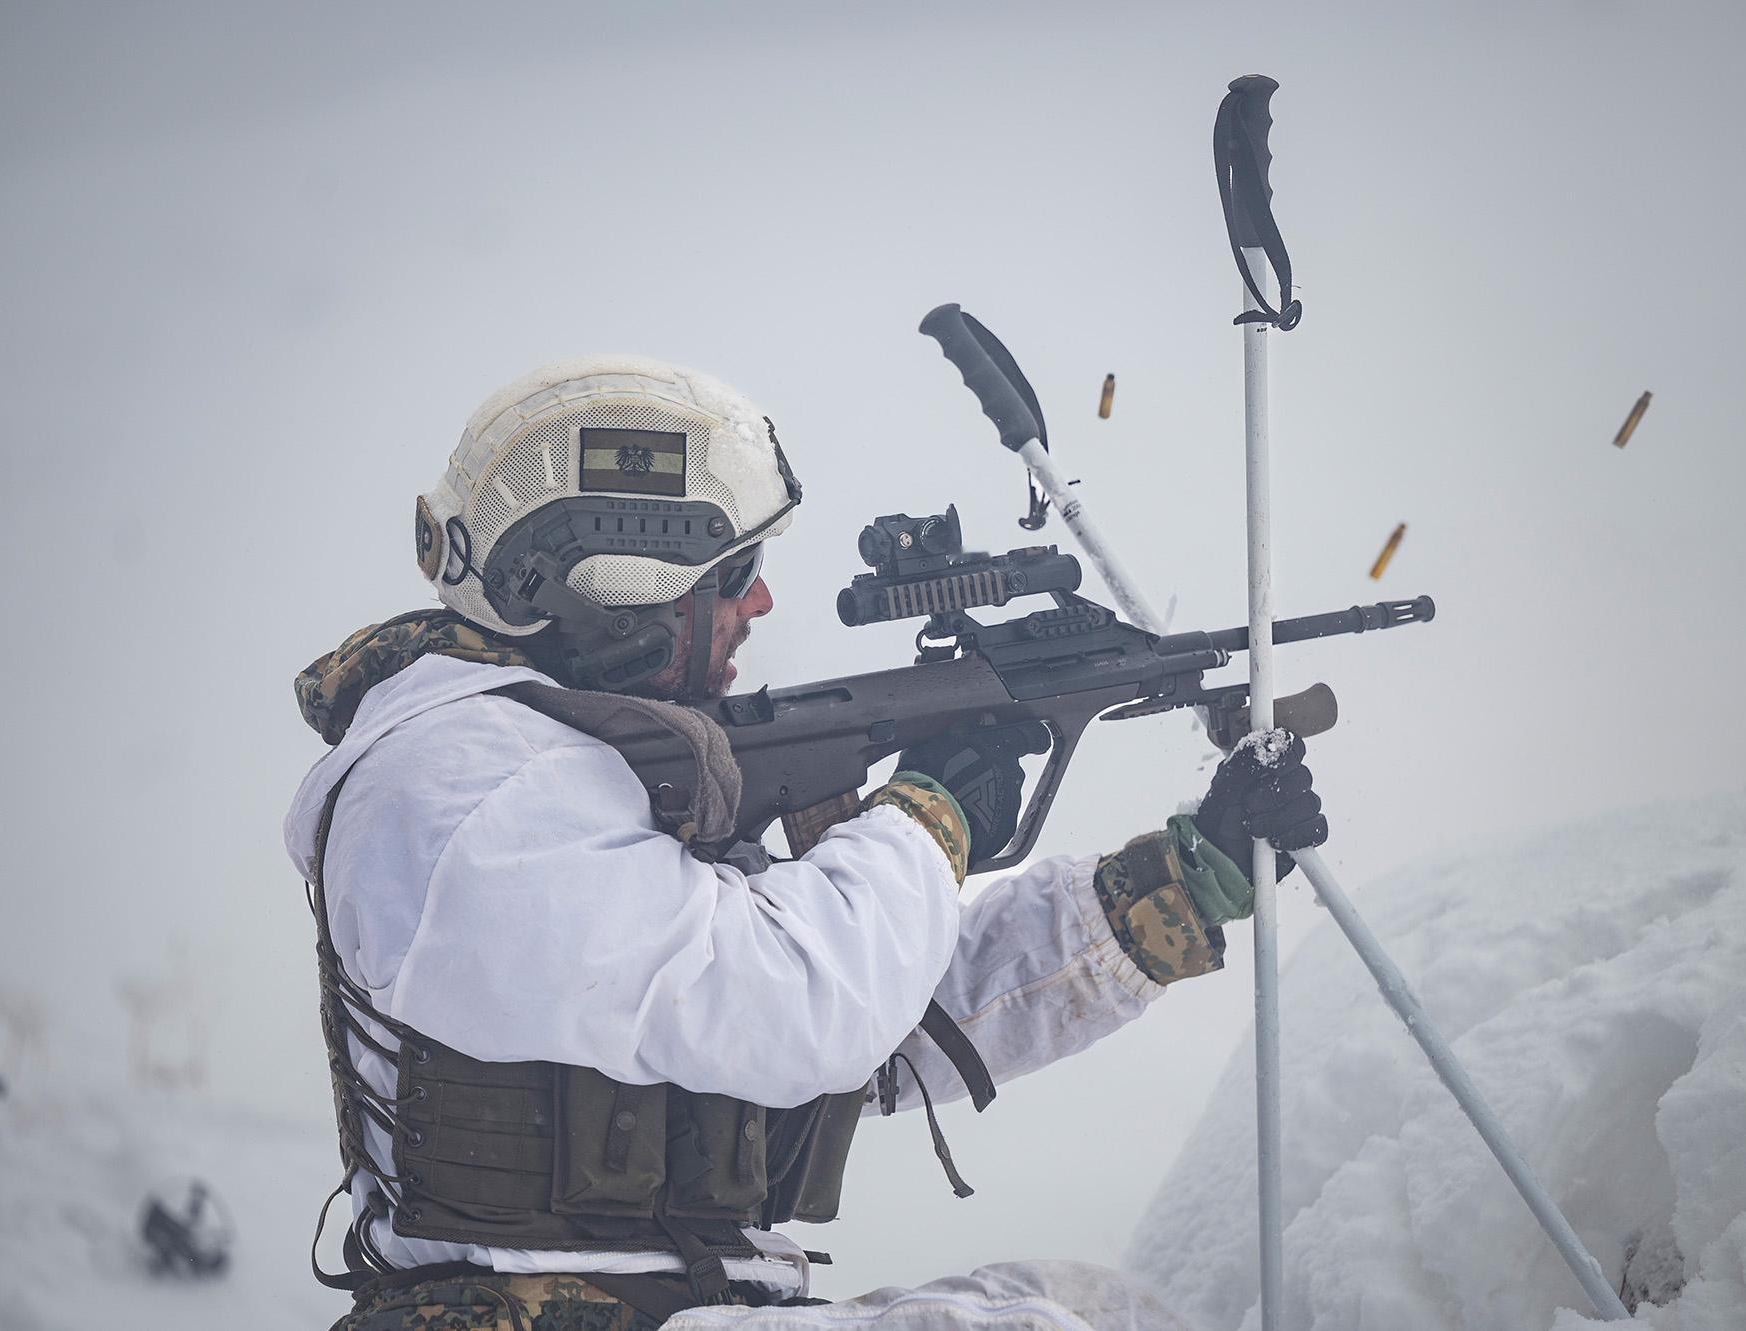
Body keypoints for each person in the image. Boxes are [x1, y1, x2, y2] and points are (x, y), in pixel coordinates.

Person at [284, 356, 1329, 1330]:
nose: (760, 601)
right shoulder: (459, 787)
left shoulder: (565, 770)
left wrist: (1182, 881)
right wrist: (929, 813)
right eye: (732, 572)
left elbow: (878, 1026)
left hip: (675, 1304)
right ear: (615, 589)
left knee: (1103, 1304)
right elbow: (804, 1005)